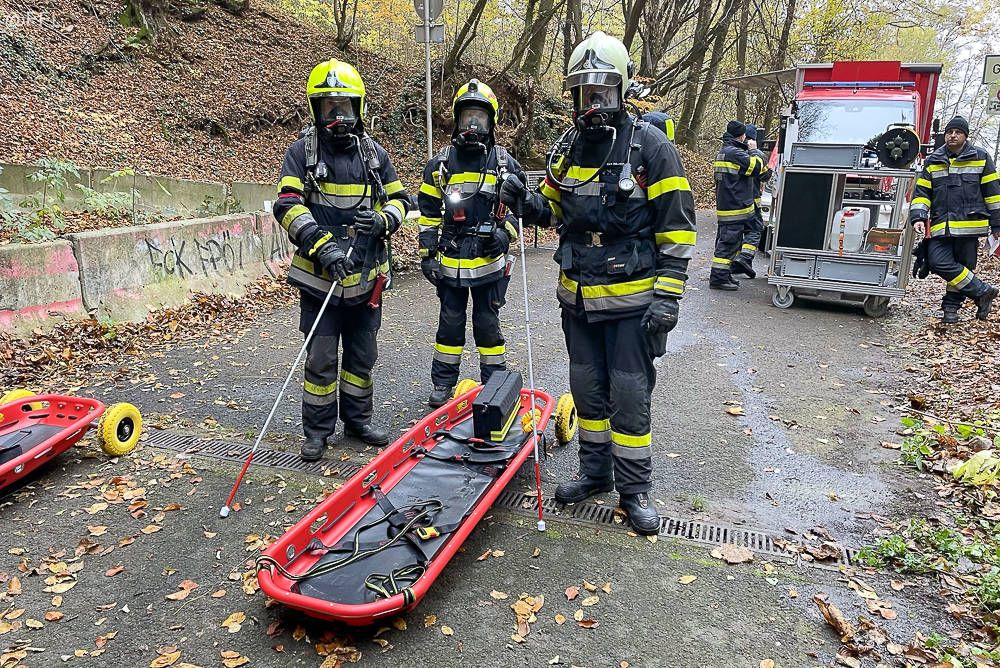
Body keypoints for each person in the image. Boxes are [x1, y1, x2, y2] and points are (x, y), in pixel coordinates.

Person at [498, 31, 697, 535]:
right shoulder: (567, 149)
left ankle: (634, 490)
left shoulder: (651, 147)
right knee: (587, 391)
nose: (594, 102)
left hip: (633, 303)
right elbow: (551, 210)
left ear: (622, 89)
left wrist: (668, 298)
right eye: (586, 92)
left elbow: (677, 229)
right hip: (578, 299)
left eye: (603, 90)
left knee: (628, 394)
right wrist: (523, 200)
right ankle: (595, 473)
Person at [273, 58, 410, 461]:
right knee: (321, 359)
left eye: (345, 107)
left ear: (358, 108)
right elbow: (287, 205)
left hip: (366, 278)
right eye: (329, 107)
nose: (338, 116)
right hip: (320, 278)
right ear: (316, 109)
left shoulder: (374, 155)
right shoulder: (301, 153)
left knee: (362, 357)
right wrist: (322, 245)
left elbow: (401, 200)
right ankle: (317, 432)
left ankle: (358, 422)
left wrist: (383, 219)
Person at [417, 80, 523, 407]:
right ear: (457, 120)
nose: (473, 125)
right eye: (467, 118)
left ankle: (495, 384)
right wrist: (427, 255)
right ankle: (443, 383)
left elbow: (521, 211)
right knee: (449, 326)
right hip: (451, 261)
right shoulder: (440, 165)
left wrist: (505, 235)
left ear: (491, 123)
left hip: (489, 264)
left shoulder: (504, 164)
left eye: (480, 118)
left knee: (487, 326)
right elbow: (428, 213)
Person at [910, 116, 1000, 323]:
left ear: (965, 136)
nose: (953, 135)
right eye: (949, 132)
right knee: (938, 262)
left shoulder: (981, 157)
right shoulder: (933, 160)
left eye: (958, 132)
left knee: (962, 266)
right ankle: (982, 291)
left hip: (969, 225)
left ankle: (951, 308)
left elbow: (993, 194)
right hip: (941, 224)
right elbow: (922, 193)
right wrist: (918, 217)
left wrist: (997, 224)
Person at [711, 120, 771, 290]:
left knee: (731, 243)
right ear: (741, 135)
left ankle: (724, 275)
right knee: (728, 243)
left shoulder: (726, 151)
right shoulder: (735, 153)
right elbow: (757, 168)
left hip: (730, 206)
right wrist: (754, 150)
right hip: (735, 207)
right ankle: (718, 278)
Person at [731, 123, 769, 278]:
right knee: (754, 229)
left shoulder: (732, 152)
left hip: (733, 201)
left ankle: (736, 262)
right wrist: (756, 152)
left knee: (736, 231)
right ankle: (745, 258)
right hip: (751, 200)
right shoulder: (754, 155)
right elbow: (765, 175)